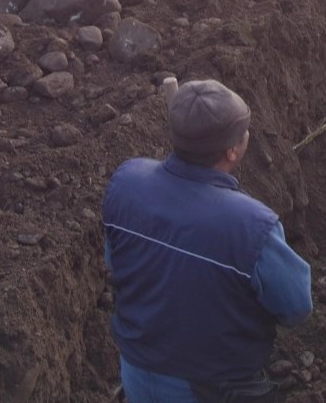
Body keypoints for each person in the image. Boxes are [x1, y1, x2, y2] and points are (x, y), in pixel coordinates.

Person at [102, 79, 313, 403]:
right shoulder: (253, 226)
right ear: (232, 150)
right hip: (213, 388)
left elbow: (116, 263)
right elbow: (296, 307)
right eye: (244, 131)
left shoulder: (127, 183)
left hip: (136, 373)